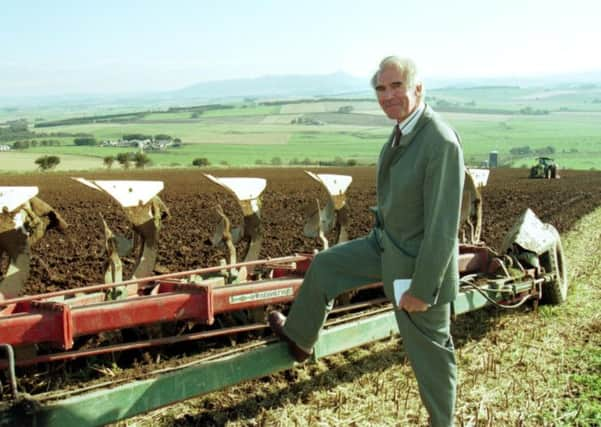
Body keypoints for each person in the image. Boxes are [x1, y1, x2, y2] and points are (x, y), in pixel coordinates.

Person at [269, 55, 464, 427]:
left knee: (433, 356)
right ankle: (299, 339)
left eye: (396, 87)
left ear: (418, 88)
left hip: (416, 266)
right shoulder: (403, 130)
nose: (388, 96)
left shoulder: (438, 140)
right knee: (326, 266)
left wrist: (422, 289)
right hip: (385, 245)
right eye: (381, 88)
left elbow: (442, 228)